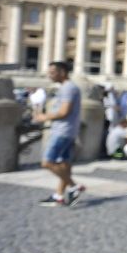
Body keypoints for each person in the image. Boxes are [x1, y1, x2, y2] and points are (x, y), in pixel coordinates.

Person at [33, 61, 85, 207]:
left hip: (63, 131)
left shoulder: (68, 88)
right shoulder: (67, 88)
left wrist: (44, 117)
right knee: (64, 165)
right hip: (69, 130)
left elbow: (64, 112)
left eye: (52, 72)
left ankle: (75, 187)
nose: (49, 75)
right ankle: (59, 196)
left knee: (47, 162)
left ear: (62, 72)